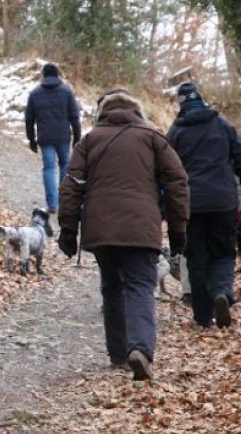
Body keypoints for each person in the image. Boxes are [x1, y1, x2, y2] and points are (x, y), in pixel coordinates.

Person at [57, 89, 189, 381]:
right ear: (137, 111)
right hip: (141, 226)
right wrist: (178, 228)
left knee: (111, 286)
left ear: (103, 113)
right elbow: (178, 182)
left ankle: (117, 353)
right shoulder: (153, 137)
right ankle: (139, 349)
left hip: (101, 228)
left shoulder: (90, 140)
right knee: (140, 286)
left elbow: (72, 184)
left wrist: (68, 228)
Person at [166, 82, 241, 329]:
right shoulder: (222, 124)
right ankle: (221, 292)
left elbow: (167, 170)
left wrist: (167, 206)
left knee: (196, 257)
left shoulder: (176, 131)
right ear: (201, 98)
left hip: (190, 204)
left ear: (181, 104)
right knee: (224, 252)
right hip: (223, 201)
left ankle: (203, 317)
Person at [25, 62, 82, 214]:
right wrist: (77, 137)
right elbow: (74, 117)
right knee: (65, 166)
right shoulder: (67, 91)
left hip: (45, 137)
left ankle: (52, 204)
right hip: (63, 137)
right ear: (58, 74)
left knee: (49, 168)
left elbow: (29, 119)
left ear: (43, 75)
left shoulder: (35, 93)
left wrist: (31, 139)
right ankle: (63, 199)